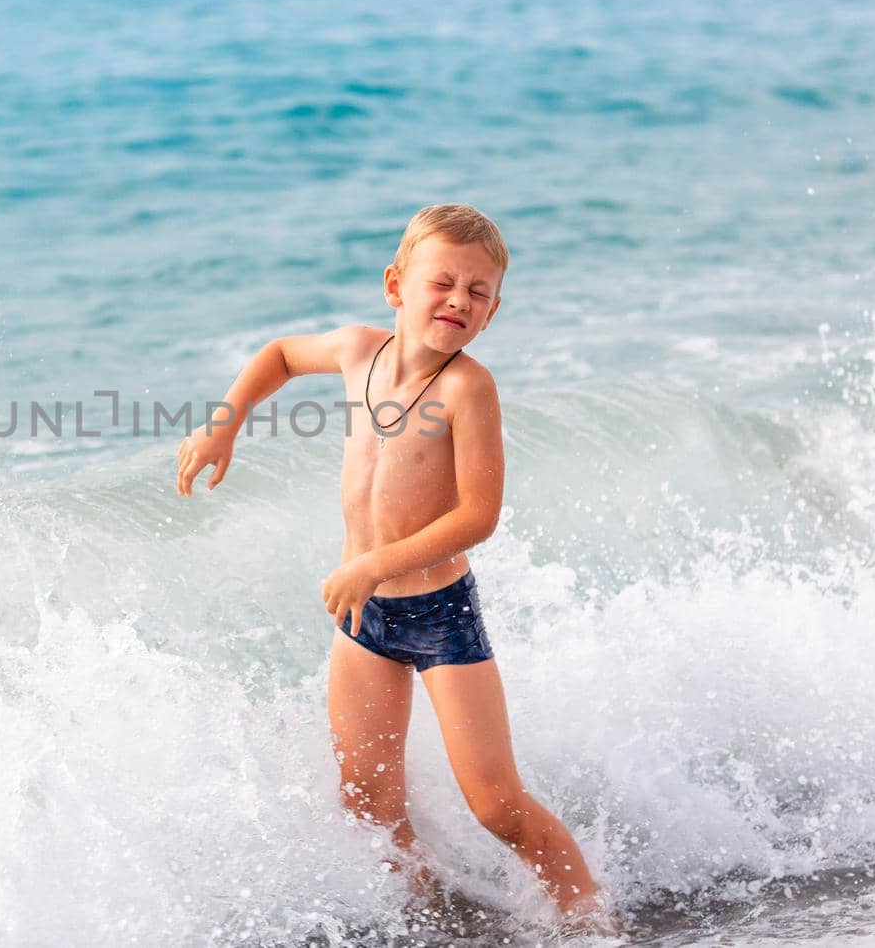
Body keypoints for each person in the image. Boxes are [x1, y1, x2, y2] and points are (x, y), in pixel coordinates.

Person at [174, 204, 617, 934]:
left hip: (441, 616)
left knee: (496, 802)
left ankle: (590, 917)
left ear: (493, 311)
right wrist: (227, 420)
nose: (458, 300)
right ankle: (425, 919)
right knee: (368, 802)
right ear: (395, 285)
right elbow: (282, 354)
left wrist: (375, 562)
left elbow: (477, 514)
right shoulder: (356, 351)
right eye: (442, 281)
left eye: (478, 292)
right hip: (365, 618)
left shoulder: (467, 389)